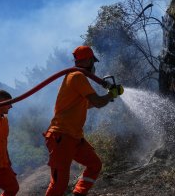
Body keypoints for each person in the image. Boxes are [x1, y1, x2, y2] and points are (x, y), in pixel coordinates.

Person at [43, 45, 123, 196]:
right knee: (59, 183)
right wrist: (109, 95)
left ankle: (79, 193)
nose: (94, 67)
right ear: (88, 61)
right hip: (61, 135)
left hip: (74, 137)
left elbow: (89, 104)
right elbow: (98, 103)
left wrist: (107, 97)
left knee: (94, 165)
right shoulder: (77, 76)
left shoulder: (76, 77)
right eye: (93, 61)